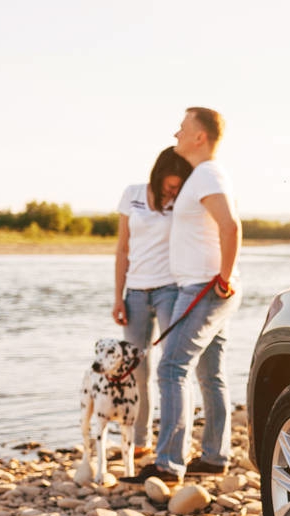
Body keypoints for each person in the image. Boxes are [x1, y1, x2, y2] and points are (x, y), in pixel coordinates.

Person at [126, 107, 242, 484]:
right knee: (210, 374)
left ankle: (168, 464)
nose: (176, 131)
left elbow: (230, 226)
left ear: (200, 137)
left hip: (204, 288)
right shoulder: (201, 176)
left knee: (171, 367)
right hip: (204, 286)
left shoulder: (208, 174)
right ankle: (213, 456)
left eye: (183, 126)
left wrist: (222, 278)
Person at [112, 146, 193, 456]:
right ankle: (140, 440)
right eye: (170, 185)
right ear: (158, 175)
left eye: (178, 186)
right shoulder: (131, 194)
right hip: (134, 293)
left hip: (170, 291)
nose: (173, 191)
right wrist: (118, 296)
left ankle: (174, 444)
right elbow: (123, 249)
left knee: (172, 366)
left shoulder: (182, 202)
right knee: (136, 369)